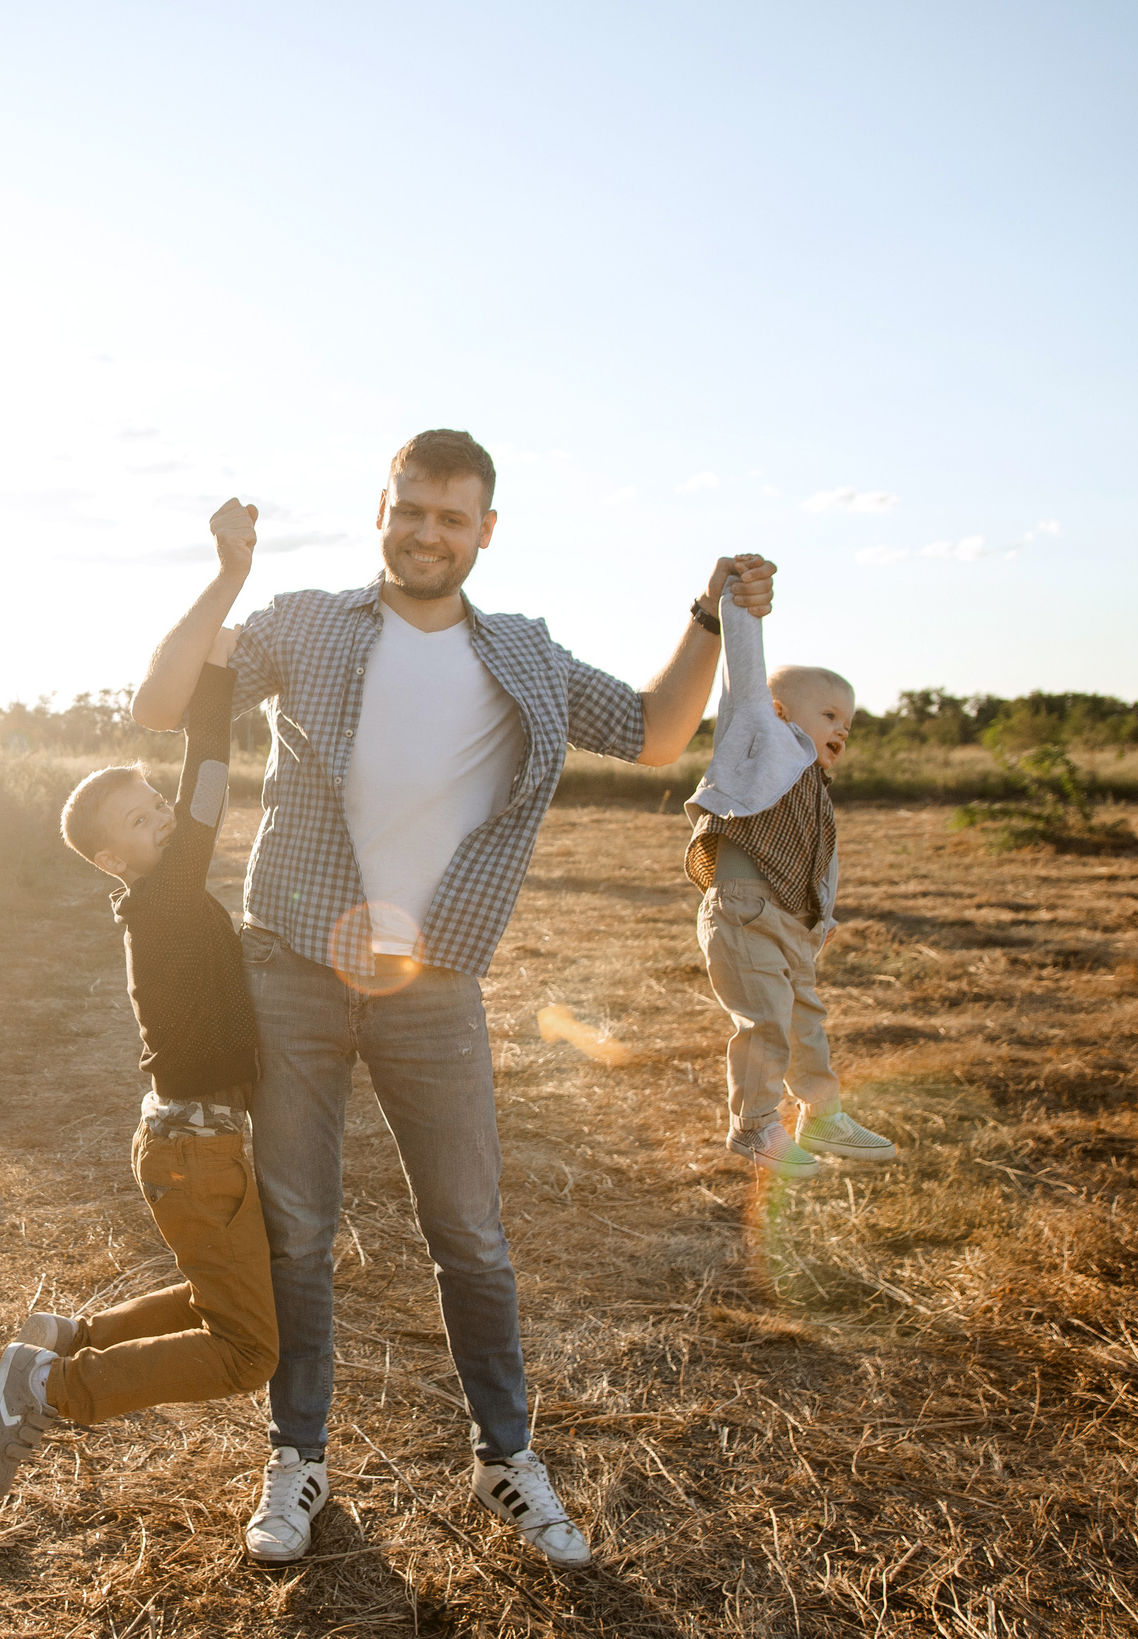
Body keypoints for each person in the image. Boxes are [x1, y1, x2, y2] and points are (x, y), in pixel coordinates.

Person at [128, 429, 773, 1569]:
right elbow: (158, 700)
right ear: (381, 511)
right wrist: (226, 574)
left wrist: (708, 616)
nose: (429, 533)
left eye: (452, 516)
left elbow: (657, 731)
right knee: (297, 1229)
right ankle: (297, 1455)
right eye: (411, 510)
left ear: (486, 529)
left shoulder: (523, 653)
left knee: (469, 1233)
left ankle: (505, 1456)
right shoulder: (303, 624)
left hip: (433, 985)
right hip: (290, 968)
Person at [0, 502, 278, 1499]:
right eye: (143, 822)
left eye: (154, 805)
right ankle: (52, 1385)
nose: (164, 821)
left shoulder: (161, 897)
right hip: (196, 1150)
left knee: (226, 1293)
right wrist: (219, 670)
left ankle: (68, 1335)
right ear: (113, 860)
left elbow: (192, 794)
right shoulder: (163, 894)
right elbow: (209, 778)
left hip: (196, 1142)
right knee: (246, 1347)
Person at [683, 589, 898, 1178]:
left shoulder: (815, 793)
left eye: (847, 723)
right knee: (766, 1024)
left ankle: (822, 1116)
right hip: (744, 913)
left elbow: (822, 865)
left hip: (794, 925)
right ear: (778, 712)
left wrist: (822, 920)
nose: (842, 729)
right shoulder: (760, 744)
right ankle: (754, 1127)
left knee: (806, 1026)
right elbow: (745, 680)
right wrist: (740, 605)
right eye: (829, 715)